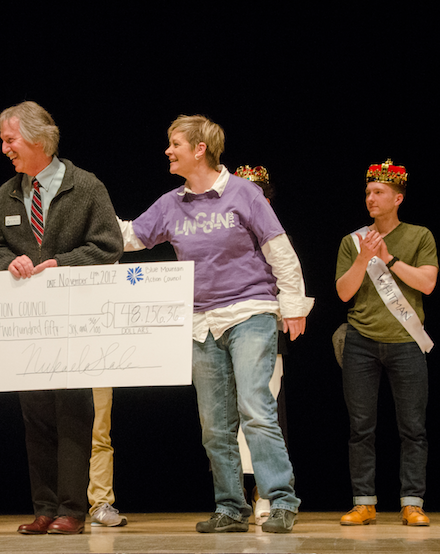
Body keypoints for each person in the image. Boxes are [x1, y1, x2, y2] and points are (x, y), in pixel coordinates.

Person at [118, 116, 312, 534]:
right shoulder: (172, 202)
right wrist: (89, 216)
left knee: (256, 409)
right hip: (200, 322)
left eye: (175, 144)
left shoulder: (244, 193)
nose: (168, 151)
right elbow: (131, 236)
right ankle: (230, 507)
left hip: (249, 312)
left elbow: (280, 251)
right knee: (214, 423)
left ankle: (280, 500)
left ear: (200, 149)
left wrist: (293, 305)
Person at [0, 101, 123, 535]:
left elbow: (108, 246)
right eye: (3, 141)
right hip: (28, 325)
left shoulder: (86, 186)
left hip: (76, 322)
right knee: (36, 417)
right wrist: (10, 262)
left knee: (73, 416)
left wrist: (62, 263)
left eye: (10, 139)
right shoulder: (7, 193)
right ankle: (44, 508)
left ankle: (72, 510)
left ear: (39, 138)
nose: (4, 148)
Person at [335, 159, 437, 526]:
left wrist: (388, 258)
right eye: (367, 193)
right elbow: (344, 293)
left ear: (398, 198)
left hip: (406, 341)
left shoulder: (420, 235)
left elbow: (427, 283)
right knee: (361, 426)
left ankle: (412, 502)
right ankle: (365, 501)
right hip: (361, 340)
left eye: (379, 193)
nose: (371, 199)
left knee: (413, 426)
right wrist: (364, 258)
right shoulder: (353, 240)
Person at [232, 165, 292, 526]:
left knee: (264, 415)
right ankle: (233, 495)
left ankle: (267, 492)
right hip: (223, 335)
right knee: (227, 420)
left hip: (264, 337)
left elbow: (289, 280)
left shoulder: (275, 237)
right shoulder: (222, 235)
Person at [88, 387, 127, 527]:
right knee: (65, 438)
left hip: (99, 375)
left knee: (100, 438)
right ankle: (63, 509)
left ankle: (100, 503)